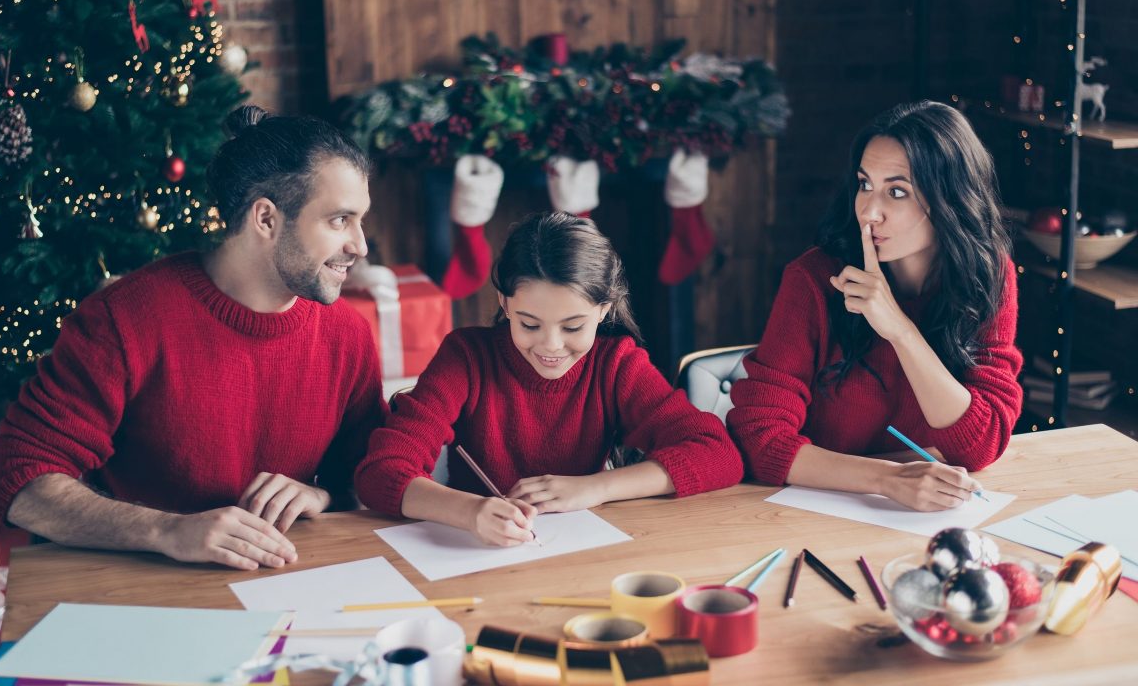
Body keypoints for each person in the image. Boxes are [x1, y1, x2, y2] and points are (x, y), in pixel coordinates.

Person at [0, 105, 387, 569]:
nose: (360, 244)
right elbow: (14, 478)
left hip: (282, 586)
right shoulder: (123, 319)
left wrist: (320, 494)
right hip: (139, 591)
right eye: (339, 220)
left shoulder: (347, 335)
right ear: (267, 219)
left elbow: (371, 477)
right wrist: (166, 530)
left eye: (360, 220)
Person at [355, 212, 744, 546]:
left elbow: (717, 453)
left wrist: (595, 487)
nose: (551, 346)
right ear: (505, 304)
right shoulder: (466, 358)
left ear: (602, 311)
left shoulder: (615, 364)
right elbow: (381, 472)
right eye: (529, 324)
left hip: (583, 550)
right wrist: (471, 510)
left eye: (573, 326)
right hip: (478, 553)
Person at [727, 101, 1023, 511]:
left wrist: (900, 331)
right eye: (865, 184)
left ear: (948, 200)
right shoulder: (814, 280)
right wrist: (889, 480)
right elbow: (759, 438)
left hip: (923, 515)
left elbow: (980, 446)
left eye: (896, 191)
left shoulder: (989, 277)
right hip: (813, 508)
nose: (869, 211)